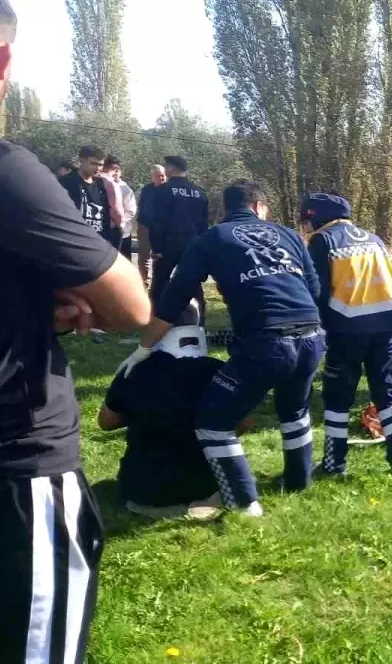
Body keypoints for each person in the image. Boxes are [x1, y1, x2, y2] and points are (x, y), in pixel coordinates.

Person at [0, 0, 152, 659]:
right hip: (14, 471)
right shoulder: (6, 173)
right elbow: (132, 305)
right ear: (1, 60)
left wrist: (30, 292)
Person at [120, 180, 323, 517]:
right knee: (295, 411)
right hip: (312, 336)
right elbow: (314, 289)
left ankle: (244, 504)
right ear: (259, 207)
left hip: (266, 343)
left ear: (225, 210)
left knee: (214, 420)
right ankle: (298, 483)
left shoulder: (211, 239)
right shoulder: (288, 235)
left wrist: (143, 349)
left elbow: (173, 299)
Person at [300, 191, 392, 476]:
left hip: (347, 328)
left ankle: (334, 463)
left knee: (338, 397)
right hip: (385, 324)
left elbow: (317, 290)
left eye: (306, 221)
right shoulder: (373, 239)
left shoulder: (322, 241)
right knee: (386, 393)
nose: (305, 228)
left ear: (317, 219)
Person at [98, 301, 221, 519]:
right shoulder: (218, 372)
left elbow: (106, 422)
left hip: (142, 492)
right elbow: (244, 422)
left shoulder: (134, 372)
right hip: (204, 486)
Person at [147, 155, 208, 313]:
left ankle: (155, 318)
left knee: (160, 282)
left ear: (170, 169)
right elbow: (203, 224)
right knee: (192, 281)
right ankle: (199, 317)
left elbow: (157, 221)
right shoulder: (200, 193)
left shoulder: (162, 191)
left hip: (169, 244)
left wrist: (157, 248)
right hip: (193, 244)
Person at [58, 145, 118, 245]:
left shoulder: (101, 184)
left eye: (100, 165)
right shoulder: (66, 182)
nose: (98, 168)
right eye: (94, 163)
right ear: (81, 160)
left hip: (99, 241)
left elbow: (105, 215)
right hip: (75, 241)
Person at [135, 164, 167, 286]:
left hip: (161, 227)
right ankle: (144, 280)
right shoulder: (147, 189)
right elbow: (141, 205)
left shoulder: (168, 189)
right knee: (144, 254)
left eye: (163, 175)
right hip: (145, 225)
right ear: (152, 176)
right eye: (158, 176)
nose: (161, 178)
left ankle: (158, 281)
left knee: (159, 255)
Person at [102, 155, 137, 256]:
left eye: (117, 170)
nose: (115, 173)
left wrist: (120, 223)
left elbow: (130, 210)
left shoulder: (125, 189)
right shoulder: (99, 182)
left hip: (122, 233)